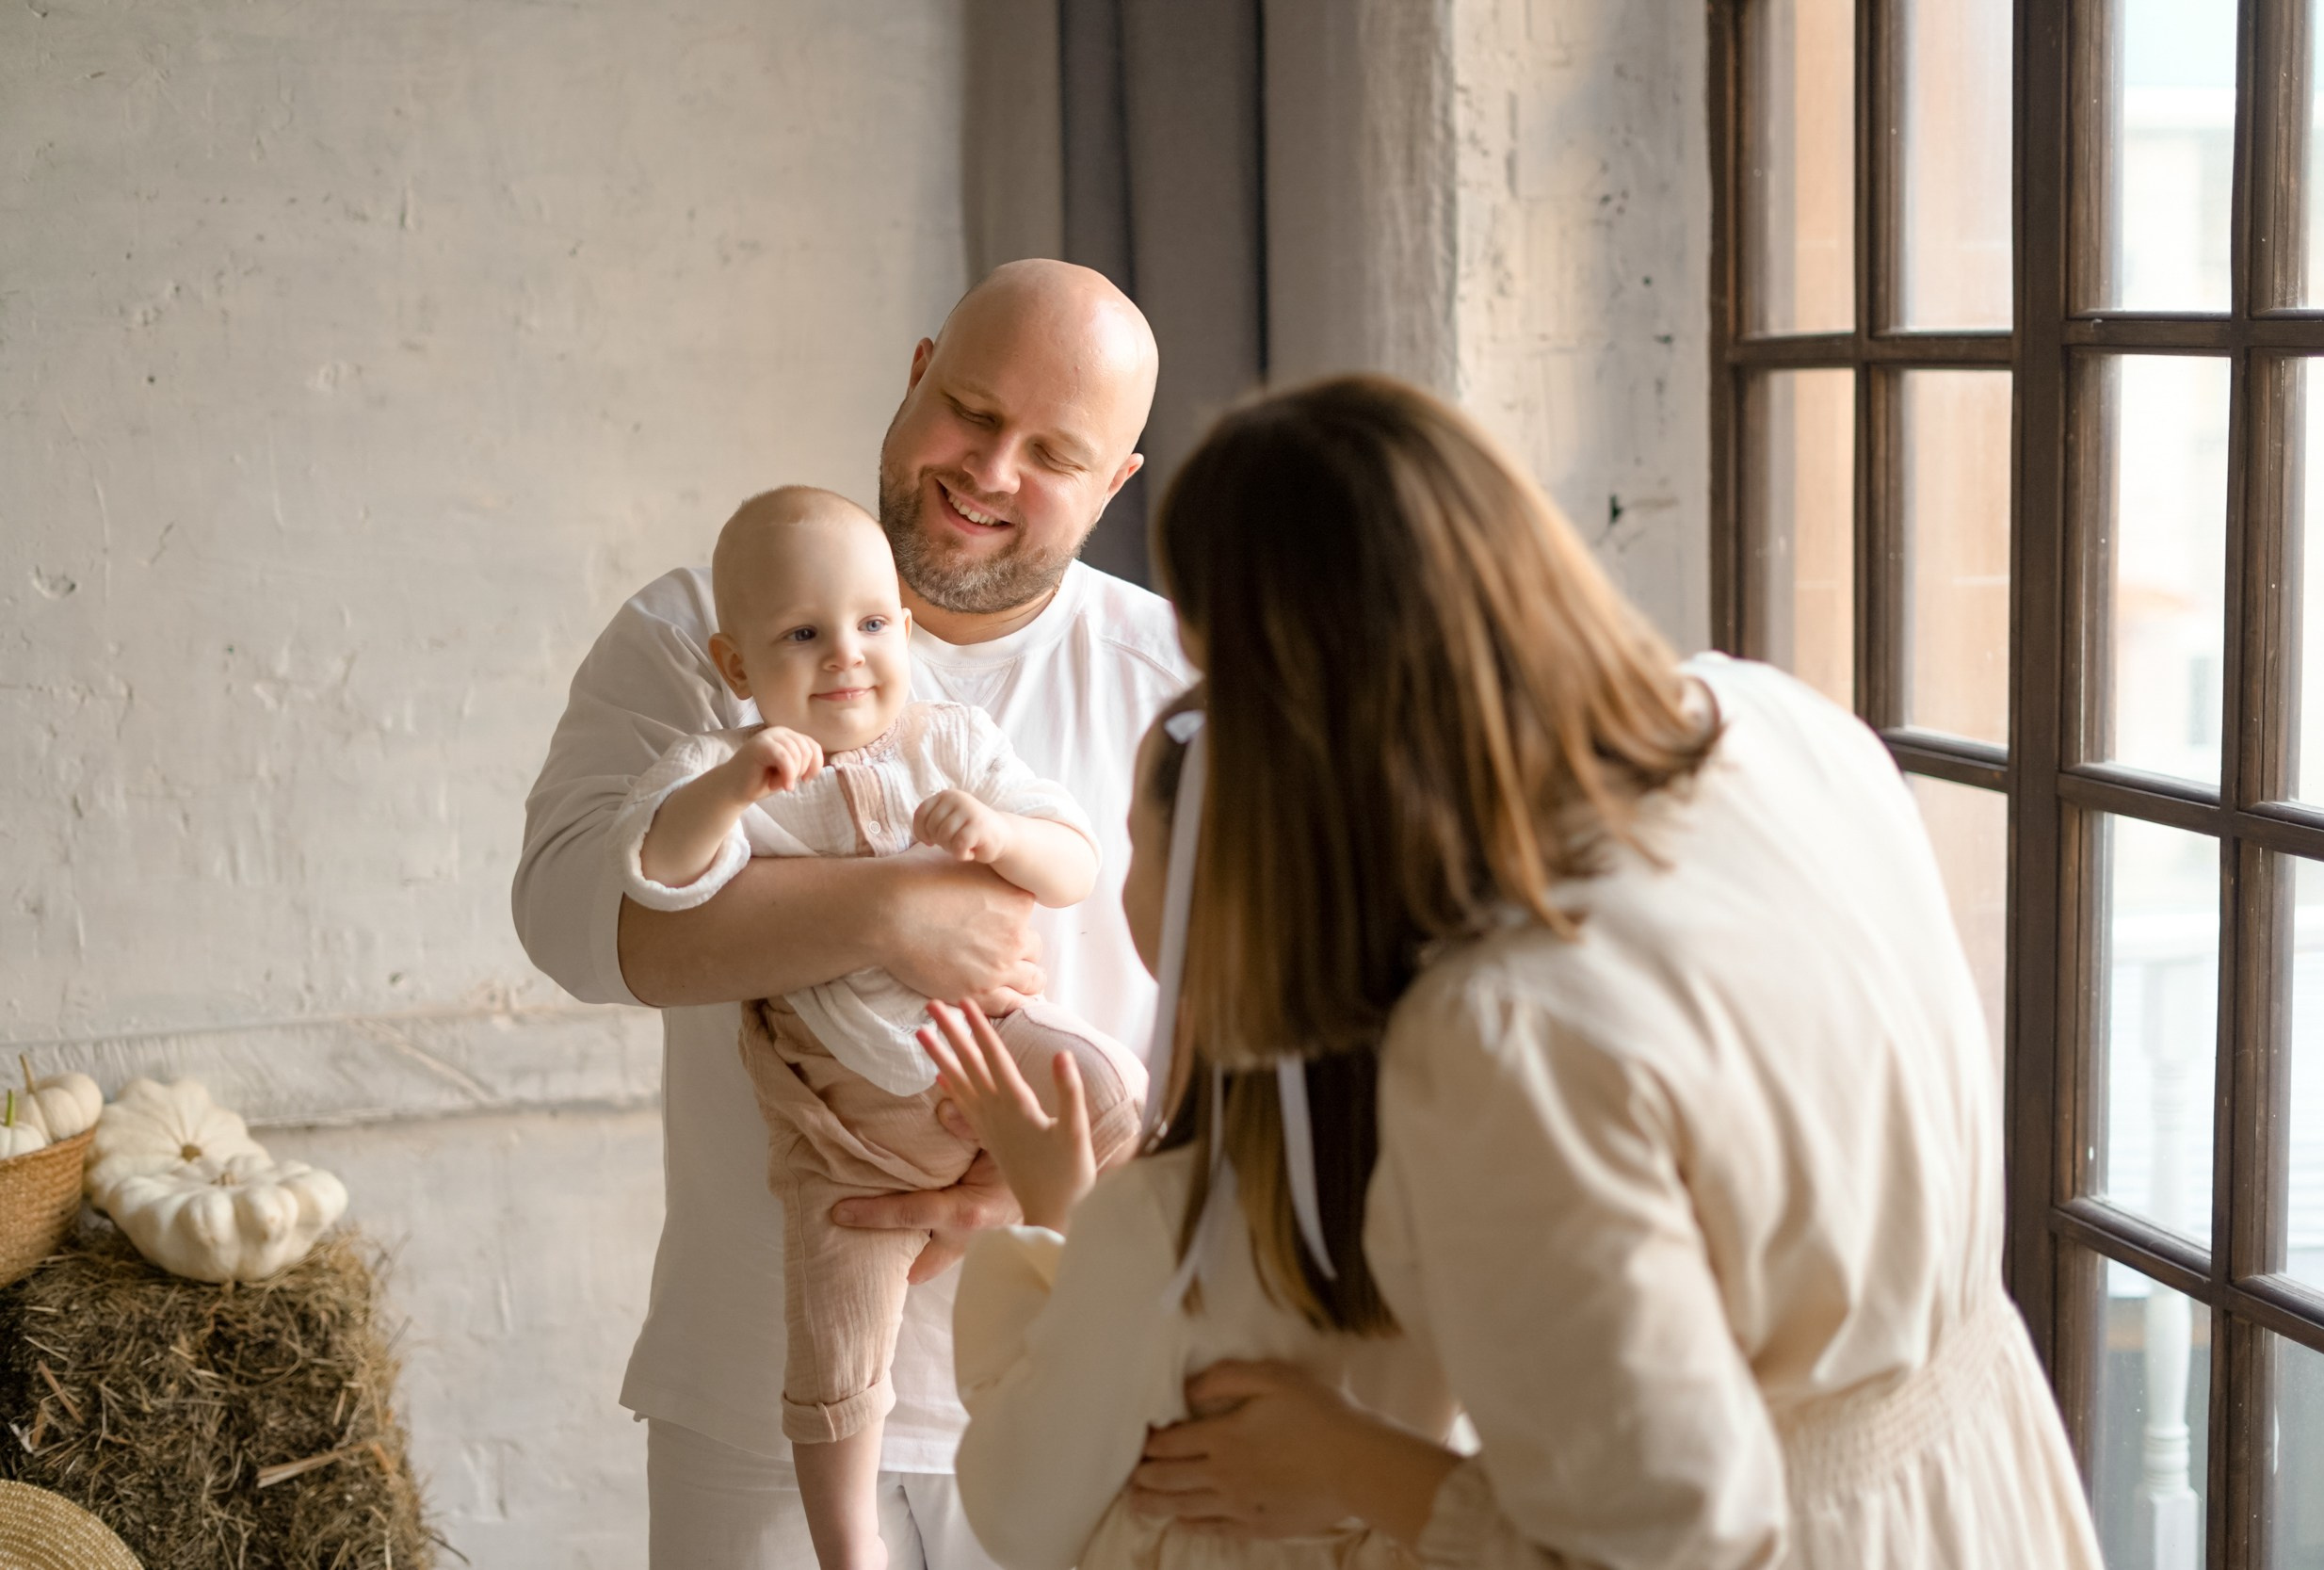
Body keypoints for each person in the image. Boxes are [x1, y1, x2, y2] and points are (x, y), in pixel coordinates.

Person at [1104, 376, 2100, 1567]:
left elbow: (1665, 1541)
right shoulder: (1777, 722)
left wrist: (1345, 1462)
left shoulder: (1503, 1029)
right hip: (1989, 1483)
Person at [513, 259, 1188, 1567]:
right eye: (973, 411)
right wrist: (892, 911)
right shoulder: (693, 630)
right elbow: (571, 922)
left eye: (1054, 452)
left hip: (1084, 1374)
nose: (991, 471)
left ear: (1116, 484)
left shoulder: (1179, 676)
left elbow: (1273, 1025)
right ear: (918, 368)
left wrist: (1041, 1188)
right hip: (755, 1389)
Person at [613, 484, 1144, 1570]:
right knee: (834, 1339)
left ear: (902, 626)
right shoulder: (723, 773)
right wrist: (725, 792)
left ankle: (1117, 1326)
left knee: (1110, 1088)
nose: (843, 655)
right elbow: (660, 880)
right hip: (841, 1130)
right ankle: (844, 1539)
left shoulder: (951, 741)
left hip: (986, 1051)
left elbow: (1076, 859)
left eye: (868, 624)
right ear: (734, 663)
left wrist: (998, 834)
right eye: (800, 635)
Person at [923, 692, 1456, 1570]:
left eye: (1135, 840)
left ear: (1191, 907)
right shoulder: (1467, 1186)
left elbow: (1023, 1507)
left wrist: (1066, 1217)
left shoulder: (1158, 1225)